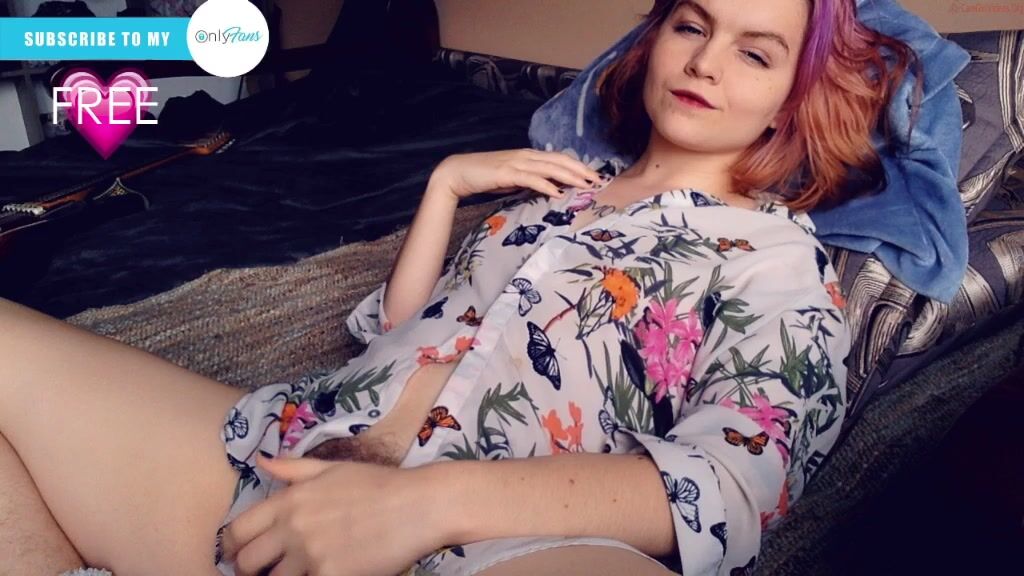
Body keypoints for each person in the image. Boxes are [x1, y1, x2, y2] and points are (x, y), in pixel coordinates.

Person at [0, 0, 922, 574]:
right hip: (289, 454)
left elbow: (738, 481)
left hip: (490, 538)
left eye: (755, 53)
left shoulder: (776, 253)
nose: (706, 62)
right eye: (692, 25)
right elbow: (398, 334)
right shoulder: (552, 194)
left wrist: (419, 505)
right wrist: (446, 185)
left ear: (794, 97)